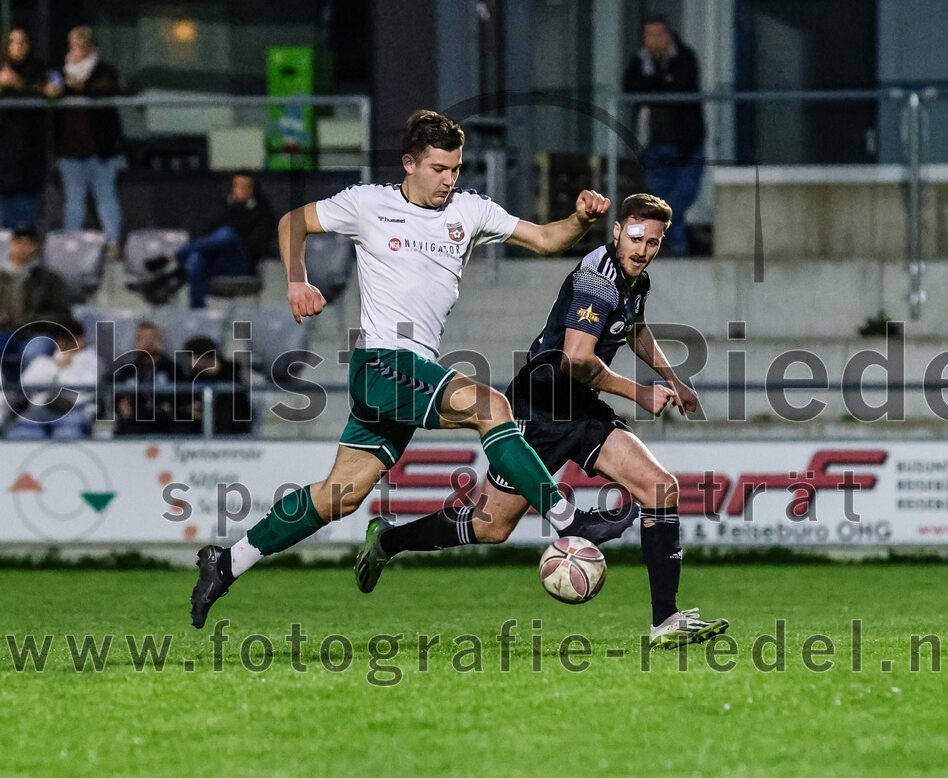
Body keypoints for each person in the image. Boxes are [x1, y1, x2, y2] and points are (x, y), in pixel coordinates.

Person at [190, 109, 613, 628]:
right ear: (410, 163)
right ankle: (570, 520)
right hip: (382, 363)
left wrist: (581, 220)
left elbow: (548, 240)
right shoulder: (370, 203)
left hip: (409, 375)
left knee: (340, 496)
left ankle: (227, 563)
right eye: (439, 168)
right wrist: (296, 280)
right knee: (492, 406)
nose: (449, 179)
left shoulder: (470, 211)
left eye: (456, 169)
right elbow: (292, 221)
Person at [356, 194, 729, 648]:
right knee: (490, 526)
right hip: (538, 409)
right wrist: (640, 393)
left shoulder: (636, 280)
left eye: (653, 241)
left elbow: (633, 328)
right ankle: (387, 542)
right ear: (616, 232)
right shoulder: (598, 281)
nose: (642, 248)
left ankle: (664, 621)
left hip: (582, 407)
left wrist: (672, 378)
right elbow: (575, 359)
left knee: (661, 487)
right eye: (635, 237)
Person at [623, 15, 705, 256]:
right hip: (654, 147)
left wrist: (654, 84)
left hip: (686, 146)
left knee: (675, 202)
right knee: (659, 201)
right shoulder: (639, 61)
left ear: (669, 35)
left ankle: (671, 247)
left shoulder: (685, 57)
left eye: (658, 35)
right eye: (649, 36)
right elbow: (631, 87)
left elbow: (679, 86)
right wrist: (658, 82)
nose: (653, 41)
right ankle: (676, 250)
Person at [49, 26, 124, 257]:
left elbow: (107, 89)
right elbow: (49, 92)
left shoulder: (104, 71)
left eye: (83, 45)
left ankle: (112, 243)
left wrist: (80, 87)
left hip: (101, 150)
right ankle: (72, 243)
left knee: (106, 197)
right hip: (70, 151)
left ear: (91, 46)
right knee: (74, 201)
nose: (78, 50)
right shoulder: (59, 73)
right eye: (74, 45)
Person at [176, 172, 275, 308]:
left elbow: (257, 246)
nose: (240, 190)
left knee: (227, 233)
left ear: (253, 189)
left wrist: (232, 242)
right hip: (216, 261)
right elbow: (202, 232)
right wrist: (230, 208)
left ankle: (178, 255)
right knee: (196, 258)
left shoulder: (262, 212)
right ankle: (197, 312)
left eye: (245, 187)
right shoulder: (221, 208)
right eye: (237, 186)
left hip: (241, 263)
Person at [2, 318, 98, 439]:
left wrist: (62, 372)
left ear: (80, 340)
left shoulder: (91, 361)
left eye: (69, 340)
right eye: (61, 339)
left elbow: (83, 390)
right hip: (39, 411)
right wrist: (56, 367)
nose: (64, 344)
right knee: (19, 434)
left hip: (72, 412)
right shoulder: (44, 362)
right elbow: (26, 384)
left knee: (67, 436)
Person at [0, 227, 73, 381]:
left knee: (37, 349)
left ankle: (29, 398)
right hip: (4, 331)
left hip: (36, 333)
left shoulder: (49, 279)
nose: (18, 247)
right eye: (15, 242)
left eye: (24, 243)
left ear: (33, 246)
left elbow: (63, 315)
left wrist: (33, 319)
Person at [0, 29, 49, 230]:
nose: (18, 47)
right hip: (3, 157)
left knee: (24, 226)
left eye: (22, 42)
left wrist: (18, 84)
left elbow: (52, 91)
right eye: (13, 42)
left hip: (28, 156)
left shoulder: (39, 71)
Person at [111, 321, 181, 436]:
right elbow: (116, 398)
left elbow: (183, 401)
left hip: (165, 426)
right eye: (141, 338)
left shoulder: (172, 370)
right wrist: (120, 405)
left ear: (160, 341)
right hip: (132, 426)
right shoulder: (127, 370)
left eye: (151, 337)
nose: (147, 342)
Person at [178, 335, 252, 435]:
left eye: (192, 356)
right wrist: (190, 409)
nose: (189, 360)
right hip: (200, 429)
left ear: (203, 357)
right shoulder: (191, 377)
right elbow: (185, 402)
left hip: (231, 430)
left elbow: (241, 408)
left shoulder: (232, 375)